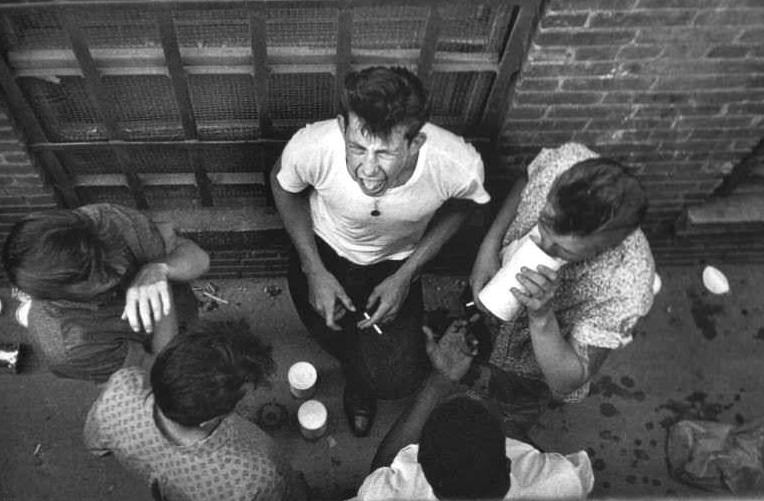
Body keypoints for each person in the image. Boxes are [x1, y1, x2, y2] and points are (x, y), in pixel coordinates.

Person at [271, 66, 491, 436]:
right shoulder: (311, 145)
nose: (368, 170)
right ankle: (357, 378)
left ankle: (366, 380)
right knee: (330, 330)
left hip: (396, 264)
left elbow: (465, 204)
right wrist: (314, 269)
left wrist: (408, 274)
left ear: (415, 143)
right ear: (342, 128)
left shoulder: (457, 164)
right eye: (357, 148)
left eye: (385, 152)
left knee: (397, 381)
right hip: (323, 254)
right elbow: (283, 186)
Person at [468, 142, 655, 437]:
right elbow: (526, 178)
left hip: (527, 365)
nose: (541, 247)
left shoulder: (628, 286)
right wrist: (488, 247)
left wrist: (541, 317)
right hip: (491, 302)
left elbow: (568, 380)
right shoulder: (566, 161)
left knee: (506, 414)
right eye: (543, 225)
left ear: (606, 247)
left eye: (563, 250)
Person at [352, 320, 594, 500]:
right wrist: (507, 421)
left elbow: (381, 470)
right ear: (508, 466)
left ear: (426, 474)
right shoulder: (553, 484)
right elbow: (574, 478)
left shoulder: (397, 493)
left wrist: (440, 381)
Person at [84, 319, 306, 501]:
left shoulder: (120, 388)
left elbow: (95, 444)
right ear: (212, 419)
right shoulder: (253, 478)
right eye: (242, 393)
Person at [2, 203, 209, 382]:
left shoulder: (106, 221)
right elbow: (159, 368)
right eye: (103, 280)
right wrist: (160, 295)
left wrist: (160, 269)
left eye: (114, 255)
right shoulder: (71, 349)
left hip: (185, 316)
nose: (121, 270)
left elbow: (199, 258)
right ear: (60, 296)